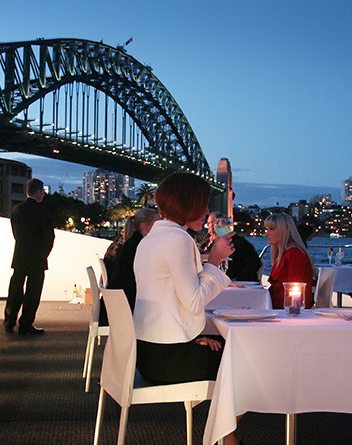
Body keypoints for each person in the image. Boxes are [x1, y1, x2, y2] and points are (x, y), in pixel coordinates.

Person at [132, 172, 241, 444]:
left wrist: (193, 338)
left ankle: (227, 439)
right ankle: (224, 438)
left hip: (151, 352)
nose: (206, 211)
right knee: (248, 362)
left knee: (229, 351)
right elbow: (193, 301)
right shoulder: (178, 240)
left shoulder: (150, 239)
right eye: (203, 204)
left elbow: (172, 300)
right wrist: (214, 261)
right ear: (190, 206)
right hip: (167, 359)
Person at [5, 178, 55, 335]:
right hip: (37, 258)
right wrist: (43, 253)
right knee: (33, 293)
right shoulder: (43, 211)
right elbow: (49, 237)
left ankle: (9, 321)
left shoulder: (17, 209)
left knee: (15, 290)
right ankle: (25, 324)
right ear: (39, 193)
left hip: (20, 255)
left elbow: (15, 233)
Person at [100, 207, 160, 324]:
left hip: (115, 304)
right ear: (145, 226)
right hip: (124, 308)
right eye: (158, 224)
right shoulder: (140, 246)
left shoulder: (132, 243)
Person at [264, 213, 315, 309]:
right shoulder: (283, 254)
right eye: (267, 229)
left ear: (284, 231)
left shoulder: (294, 254)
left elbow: (296, 287)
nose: (267, 233)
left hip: (287, 310)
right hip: (276, 306)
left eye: (271, 229)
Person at [205, 212, 262, 282]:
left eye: (212, 223)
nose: (208, 225)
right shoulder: (209, 240)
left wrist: (237, 280)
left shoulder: (238, 243)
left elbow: (255, 263)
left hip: (238, 286)